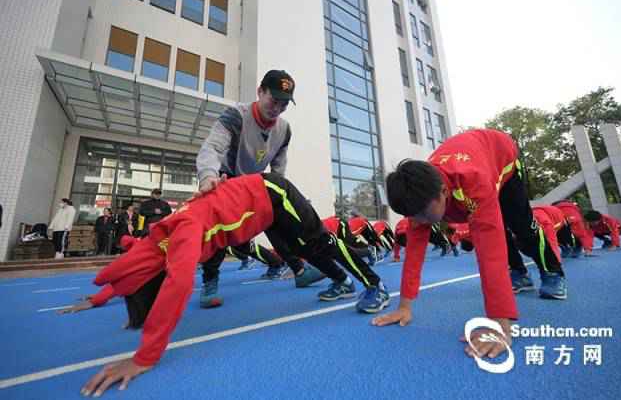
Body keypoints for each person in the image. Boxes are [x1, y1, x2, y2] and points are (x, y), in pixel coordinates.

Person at [80, 173, 389, 396]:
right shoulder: (156, 241)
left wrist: (144, 356)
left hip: (273, 193)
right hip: (263, 211)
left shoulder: (184, 231)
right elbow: (129, 270)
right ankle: (342, 282)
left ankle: (375, 284)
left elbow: (177, 286)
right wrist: (98, 298)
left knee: (321, 242)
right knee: (299, 250)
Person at [372, 129, 567, 362]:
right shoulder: (418, 199)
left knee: (520, 226)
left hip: (503, 158)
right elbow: (413, 256)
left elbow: (490, 254)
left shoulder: (473, 183)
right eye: (411, 217)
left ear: (444, 192)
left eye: (423, 215)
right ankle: (519, 274)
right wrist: (404, 306)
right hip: (470, 162)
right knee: (497, 229)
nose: (417, 223)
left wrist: (499, 323)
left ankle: (552, 272)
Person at [195, 69, 324, 307]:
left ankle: (299, 270)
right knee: (219, 229)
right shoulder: (236, 116)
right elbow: (212, 147)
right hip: (225, 178)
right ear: (260, 92)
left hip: (254, 182)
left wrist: (283, 198)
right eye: (274, 100)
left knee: (278, 217)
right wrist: (207, 176)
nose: (277, 107)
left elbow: (278, 166)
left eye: (284, 104)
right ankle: (209, 284)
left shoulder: (284, 130)